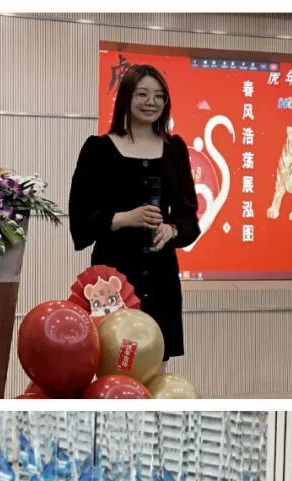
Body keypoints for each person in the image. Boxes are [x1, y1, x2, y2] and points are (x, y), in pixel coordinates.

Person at [69, 64, 200, 360]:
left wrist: (172, 229)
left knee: (155, 361)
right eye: (142, 94)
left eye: (159, 96)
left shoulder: (175, 149)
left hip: (161, 275)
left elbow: (189, 218)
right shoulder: (98, 149)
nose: (151, 102)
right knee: (113, 359)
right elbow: (80, 219)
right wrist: (125, 218)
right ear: (126, 97)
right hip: (113, 276)